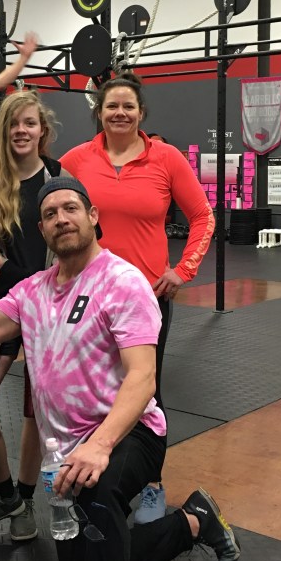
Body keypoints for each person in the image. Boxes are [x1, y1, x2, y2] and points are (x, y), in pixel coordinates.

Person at [0, 176, 240, 561]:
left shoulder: (123, 282)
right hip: (65, 450)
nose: (61, 219)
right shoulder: (31, 291)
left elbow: (143, 377)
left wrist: (100, 445)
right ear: (42, 230)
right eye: (50, 214)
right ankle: (194, 522)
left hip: (130, 432)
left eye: (70, 208)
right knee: (91, 558)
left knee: (97, 499)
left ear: (92, 216)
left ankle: (156, 518)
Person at [59, 72, 214, 524]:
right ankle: (91, 475)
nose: (120, 113)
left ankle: (151, 485)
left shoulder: (166, 158)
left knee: (146, 393)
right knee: (90, 390)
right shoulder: (76, 160)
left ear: (141, 113)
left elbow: (203, 216)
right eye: (112, 106)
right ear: (99, 112)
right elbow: (48, 210)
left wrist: (184, 270)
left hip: (144, 300)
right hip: (87, 299)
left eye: (128, 106)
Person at [0, 90, 68, 542]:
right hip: (1, 305)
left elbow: (80, 244)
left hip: (49, 307)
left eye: (29, 123)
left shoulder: (60, 179)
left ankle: (24, 498)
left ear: (42, 130)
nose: (21, 131)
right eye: (13, 123)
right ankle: (6, 495)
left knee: (39, 413)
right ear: (3, 130)